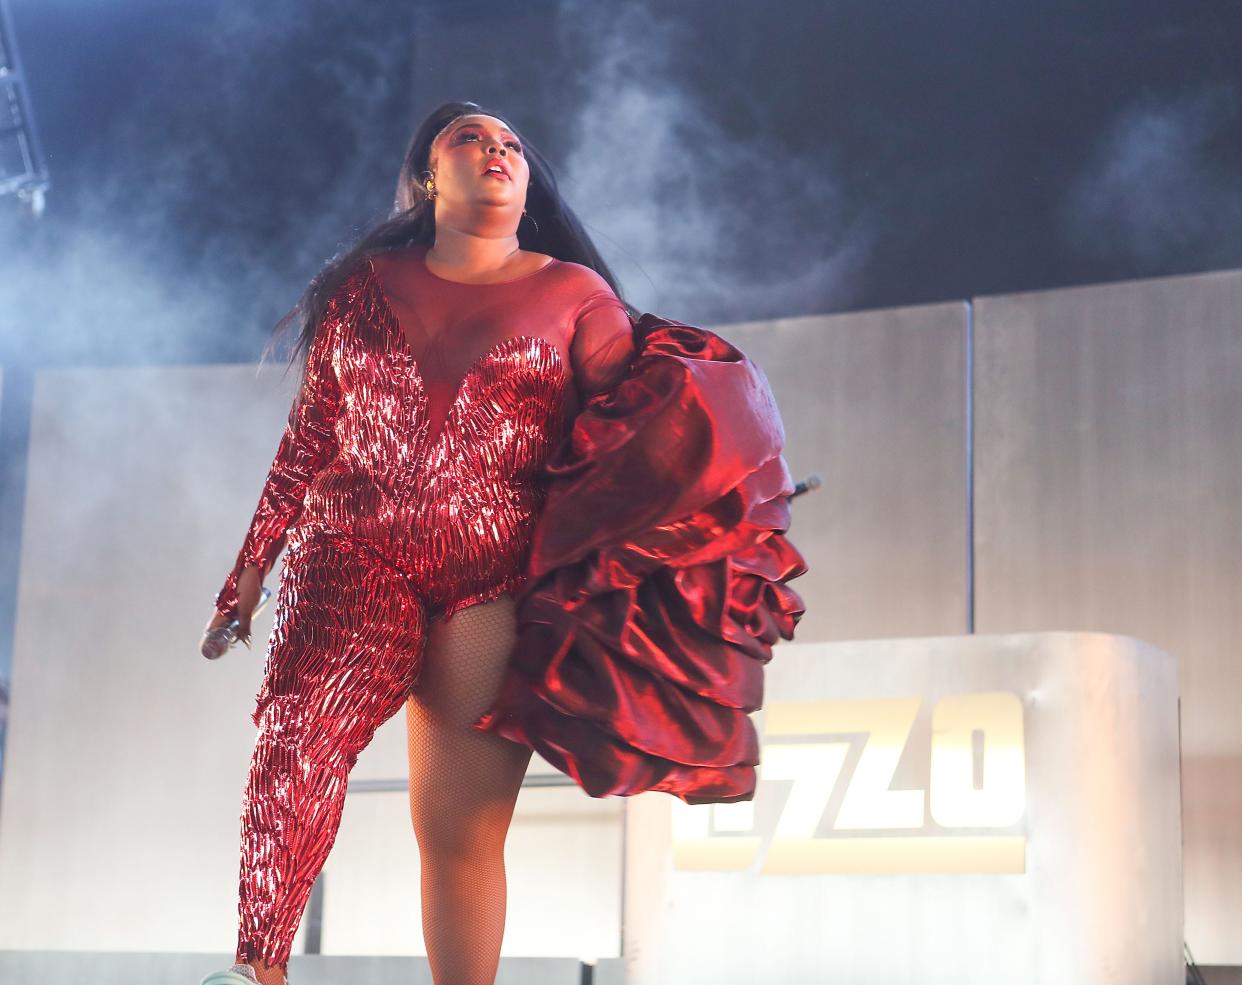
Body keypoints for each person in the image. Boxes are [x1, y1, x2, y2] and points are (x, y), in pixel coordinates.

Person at [200, 98, 807, 985]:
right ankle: (257, 971)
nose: (496, 150)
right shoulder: (364, 285)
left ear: (528, 182)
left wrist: (716, 492)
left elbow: (628, 424)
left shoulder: (575, 294)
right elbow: (309, 435)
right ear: (425, 175)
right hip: (351, 548)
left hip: (491, 578)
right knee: (298, 738)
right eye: (469, 139)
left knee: (457, 832)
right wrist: (249, 571)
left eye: (512, 144)